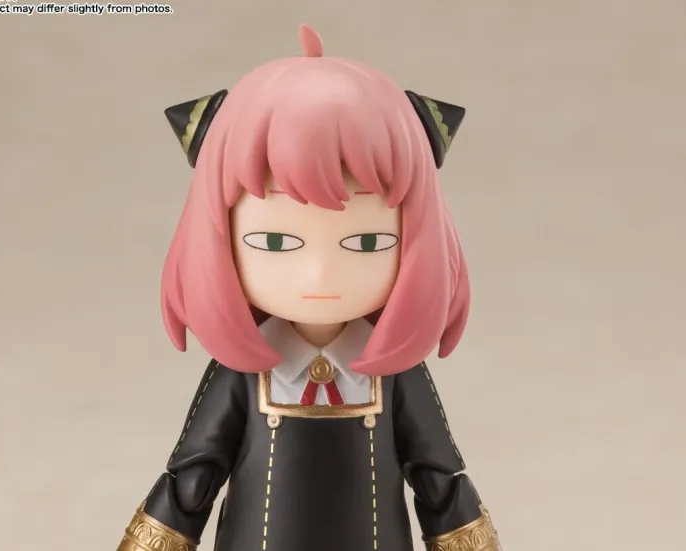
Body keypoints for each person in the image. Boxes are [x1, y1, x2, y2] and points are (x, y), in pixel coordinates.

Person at [114, 23, 502, 551]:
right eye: (275, 241)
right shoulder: (241, 376)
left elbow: (440, 483)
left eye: (367, 242)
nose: (319, 273)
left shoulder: (396, 377)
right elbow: (191, 482)